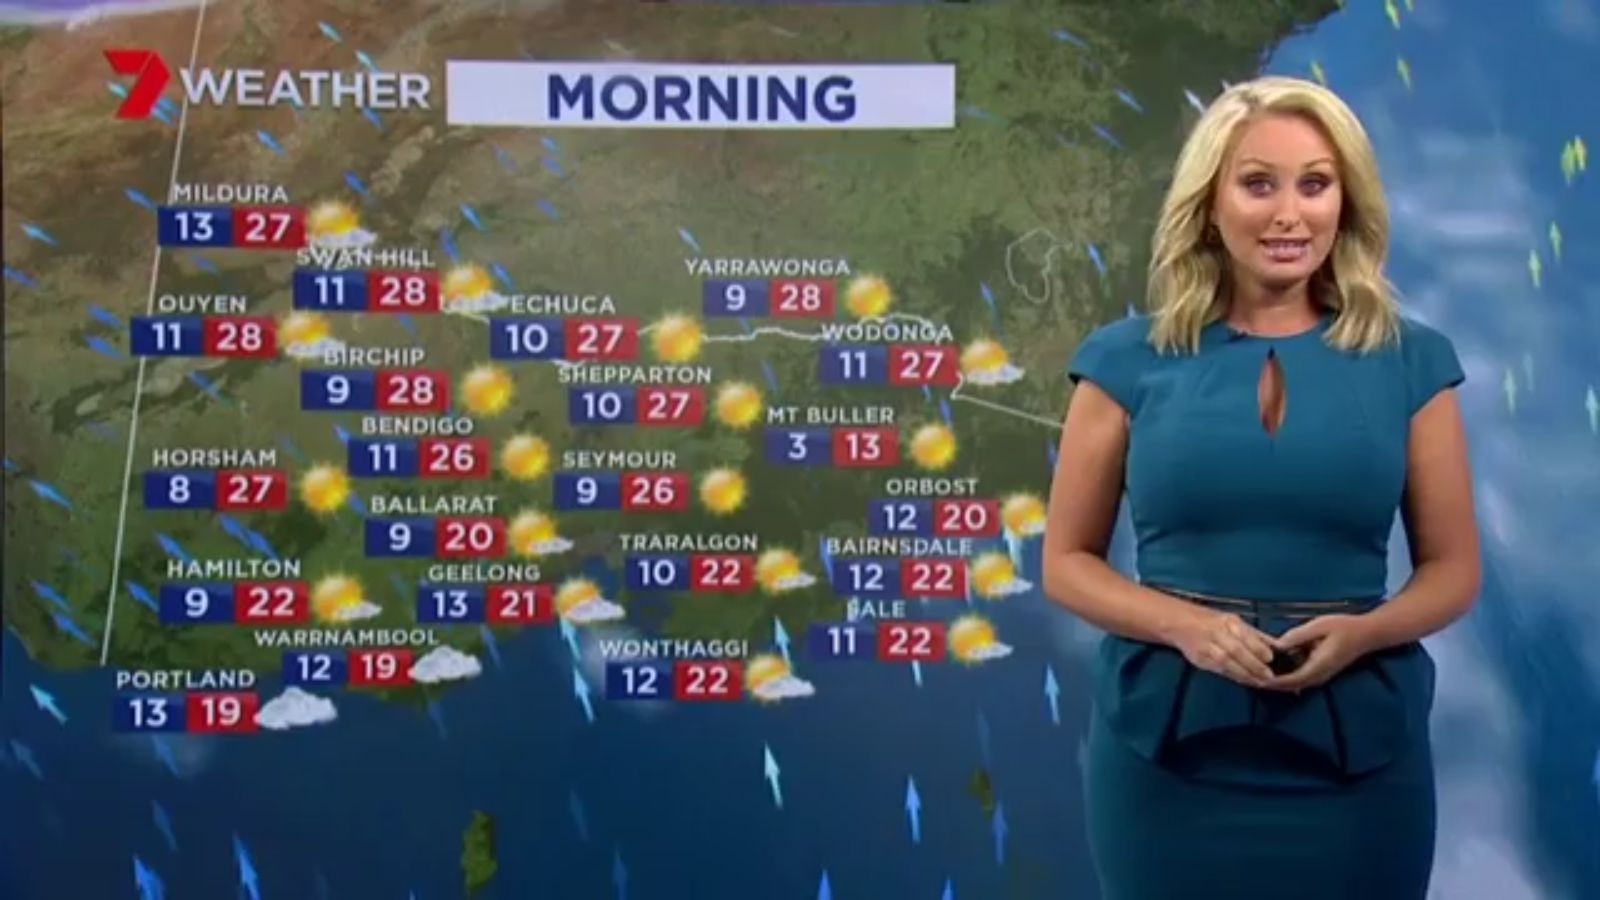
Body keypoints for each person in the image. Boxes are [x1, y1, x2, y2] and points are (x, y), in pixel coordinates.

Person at [1042, 76, 1482, 899]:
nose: (1289, 214)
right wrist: (1187, 628)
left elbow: (1453, 571)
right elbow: (1066, 563)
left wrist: (1365, 634)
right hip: (1168, 756)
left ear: (1345, 203)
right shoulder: (1123, 361)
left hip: (1358, 754)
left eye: (1315, 185)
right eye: (1258, 184)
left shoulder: (1413, 362)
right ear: (1210, 204)